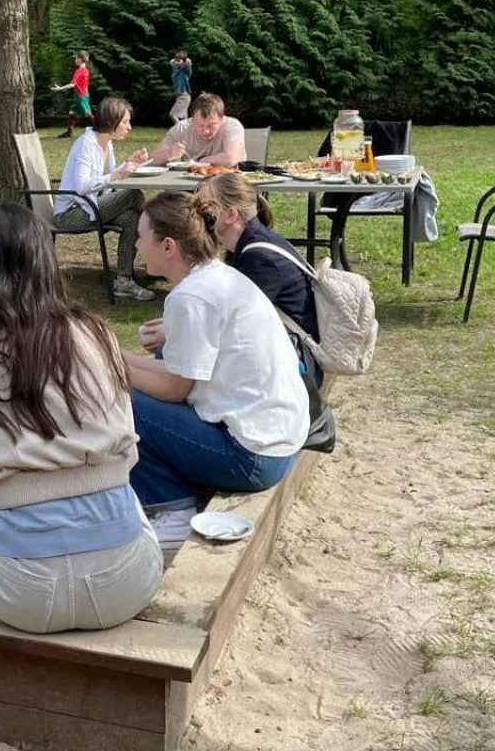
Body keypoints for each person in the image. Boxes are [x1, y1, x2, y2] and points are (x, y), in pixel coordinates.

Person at [0, 203, 163, 633]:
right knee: (117, 483)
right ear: (45, 261)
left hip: (20, 594)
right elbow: (127, 447)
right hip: (127, 583)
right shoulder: (97, 332)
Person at [123, 193, 310, 546]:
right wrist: (113, 355)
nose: (135, 244)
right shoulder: (215, 276)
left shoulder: (190, 297)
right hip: (281, 438)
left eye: (140, 236)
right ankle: (177, 490)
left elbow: (175, 388)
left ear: (167, 246)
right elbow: (174, 370)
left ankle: (170, 511)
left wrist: (116, 369)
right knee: (147, 366)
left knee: (124, 401)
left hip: (254, 457)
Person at [191, 173, 336, 449]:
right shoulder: (246, 247)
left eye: (205, 210)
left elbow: (233, 326)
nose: (198, 218)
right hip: (288, 355)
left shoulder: (259, 258)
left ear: (230, 214)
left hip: (298, 369)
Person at [53, 96, 155, 302]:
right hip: (72, 213)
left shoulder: (107, 144)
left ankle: (124, 281)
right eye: (125, 122)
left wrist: (130, 163)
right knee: (134, 195)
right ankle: (156, 231)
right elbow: (82, 187)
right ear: (111, 122)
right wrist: (117, 175)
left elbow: (109, 180)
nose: (129, 127)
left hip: (91, 207)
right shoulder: (87, 144)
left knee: (130, 218)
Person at [151, 92, 245, 168]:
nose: (205, 131)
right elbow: (151, 160)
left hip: (225, 184)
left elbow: (231, 159)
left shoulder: (232, 126)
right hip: (187, 185)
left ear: (221, 120)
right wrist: (169, 153)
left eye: (211, 125)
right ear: (192, 119)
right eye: (200, 125)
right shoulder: (181, 128)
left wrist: (200, 161)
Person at [51, 50, 92, 139]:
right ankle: (69, 132)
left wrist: (60, 89)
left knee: (87, 113)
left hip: (81, 96)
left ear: (80, 59)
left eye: (76, 58)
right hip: (80, 95)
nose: (75, 60)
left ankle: (102, 129)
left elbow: (72, 84)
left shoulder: (81, 71)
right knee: (72, 112)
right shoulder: (85, 70)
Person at [168, 51, 193, 124]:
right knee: (184, 119)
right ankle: (186, 133)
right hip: (179, 96)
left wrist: (185, 61)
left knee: (172, 114)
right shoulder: (175, 69)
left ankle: (180, 131)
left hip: (184, 96)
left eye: (179, 61)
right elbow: (172, 62)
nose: (177, 62)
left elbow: (188, 64)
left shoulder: (185, 71)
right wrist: (178, 60)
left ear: (184, 62)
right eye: (176, 61)